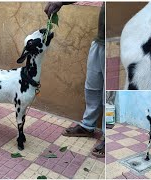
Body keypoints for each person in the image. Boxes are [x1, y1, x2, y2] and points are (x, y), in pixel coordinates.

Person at [44, 2, 105, 158]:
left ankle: (108, 135)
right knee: (92, 88)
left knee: (110, 97)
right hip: (100, 42)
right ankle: (87, 126)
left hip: (120, 45)